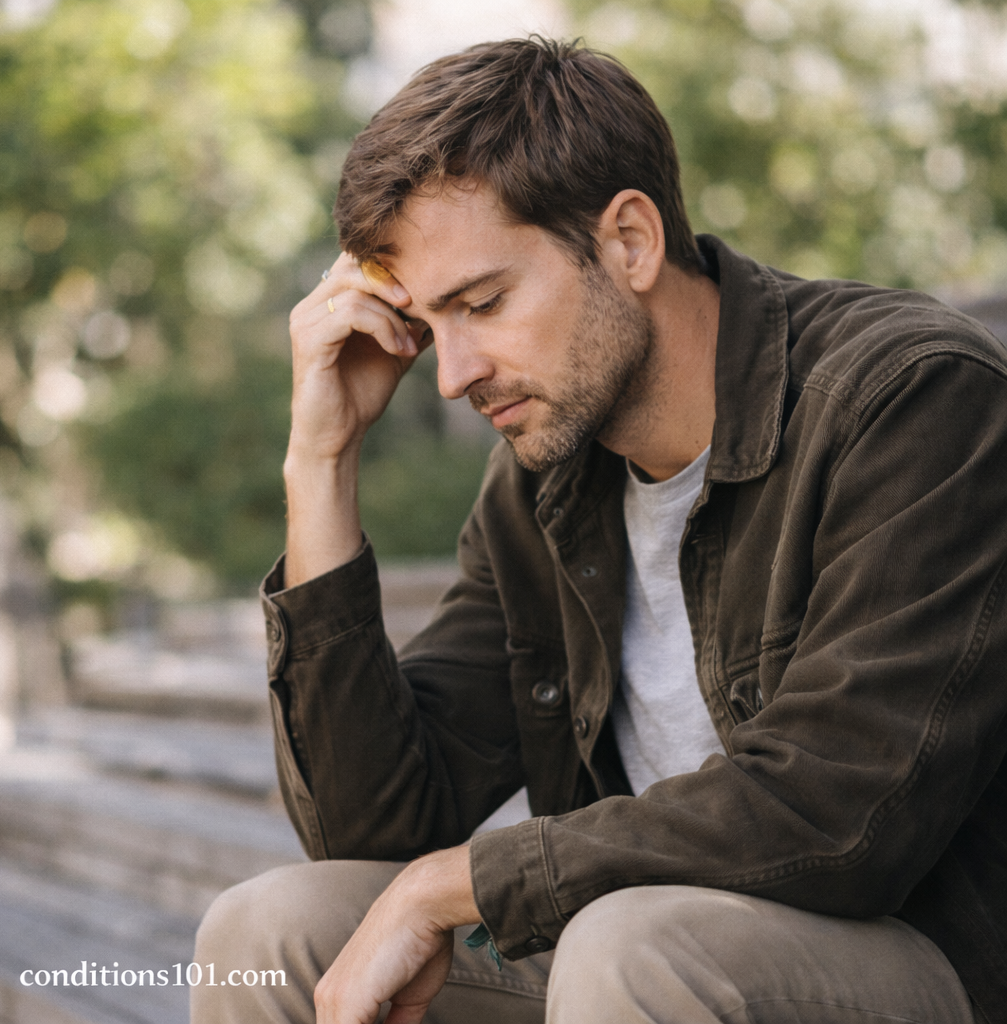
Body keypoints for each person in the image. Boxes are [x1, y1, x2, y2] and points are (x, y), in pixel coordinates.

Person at [191, 37, 1006, 1024]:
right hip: (619, 962)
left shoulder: (908, 400)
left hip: (919, 959)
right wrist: (320, 462)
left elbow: (835, 816)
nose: (451, 374)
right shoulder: (541, 486)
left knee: (632, 945)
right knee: (267, 929)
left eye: (481, 303)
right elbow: (376, 828)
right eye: (428, 322)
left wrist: (451, 885)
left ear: (628, 240)